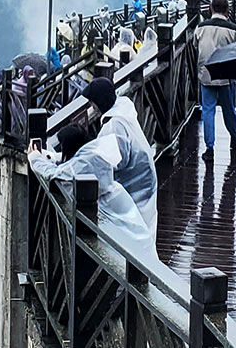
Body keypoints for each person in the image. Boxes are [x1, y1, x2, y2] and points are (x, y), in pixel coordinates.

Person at [28, 125, 158, 262]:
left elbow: (57, 174)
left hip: (131, 249)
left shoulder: (86, 164)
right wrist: (51, 157)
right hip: (138, 243)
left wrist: (36, 159)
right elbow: (73, 162)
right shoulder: (94, 154)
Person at [80, 77, 158, 233]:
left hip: (135, 187)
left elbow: (110, 162)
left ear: (100, 102)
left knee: (134, 234)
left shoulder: (114, 126)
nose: (91, 106)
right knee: (144, 231)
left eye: (92, 102)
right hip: (144, 181)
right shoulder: (124, 113)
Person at [195, 0, 236, 160]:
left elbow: (195, 45)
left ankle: (209, 148)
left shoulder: (201, 27)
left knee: (207, 111)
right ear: (227, 10)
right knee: (229, 109)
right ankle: (234, 135)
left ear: (210, 8)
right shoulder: (233, 29)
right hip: (226, 75)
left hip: (206, 74)